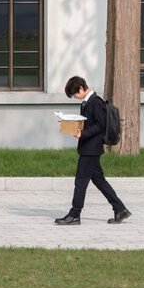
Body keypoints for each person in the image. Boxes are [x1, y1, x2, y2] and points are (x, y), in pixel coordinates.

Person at [55, 75, 130, 226]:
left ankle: (75, 214)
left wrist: (83, 134)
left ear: (81, 88)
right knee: (99, 181)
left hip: (91, 149)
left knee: (80, 182)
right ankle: (120, 209)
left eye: (75, 94)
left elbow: (100, 125)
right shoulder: (87, 102)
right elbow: (89, 123)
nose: (76, 97)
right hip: (89, 148)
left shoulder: (95, 102)